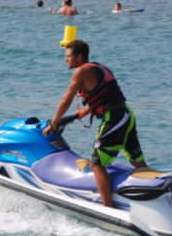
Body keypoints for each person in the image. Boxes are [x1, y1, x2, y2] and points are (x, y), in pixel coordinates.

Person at [42, 39, 148, 208]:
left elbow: (66, 99)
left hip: (115, 118)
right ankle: (155, 192)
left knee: (96, 163)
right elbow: (106, 96)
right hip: (125, 115)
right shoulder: (98, 67)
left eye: (68, 56)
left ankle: (107, 208)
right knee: (136, 160)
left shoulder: (81, 72)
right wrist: (78, 115)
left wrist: (54, 123)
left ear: (79, 57)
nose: (65, 59)